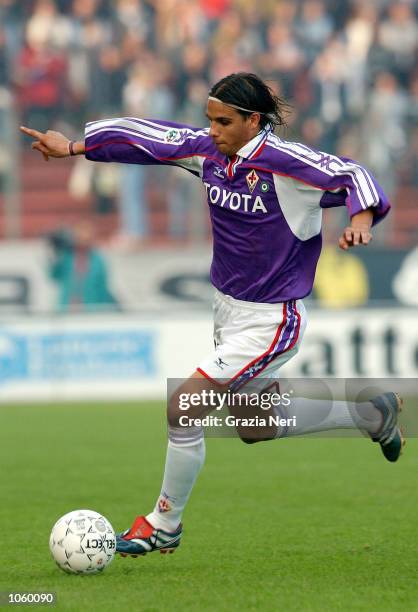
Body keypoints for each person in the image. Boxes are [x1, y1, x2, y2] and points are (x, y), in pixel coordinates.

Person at [21, 72, 405, 558]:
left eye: (224, 121)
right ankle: (371, 415)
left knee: (184, 406)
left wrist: (360, 220)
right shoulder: (210, 153)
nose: (213, 130)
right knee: (255, 425)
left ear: (253, 121)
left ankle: (163, 523)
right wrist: (75, 146)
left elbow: (352, 174)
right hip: (228, 313)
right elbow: (148, 137)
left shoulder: (285, 163)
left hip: (271, 320)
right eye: (210, 120)